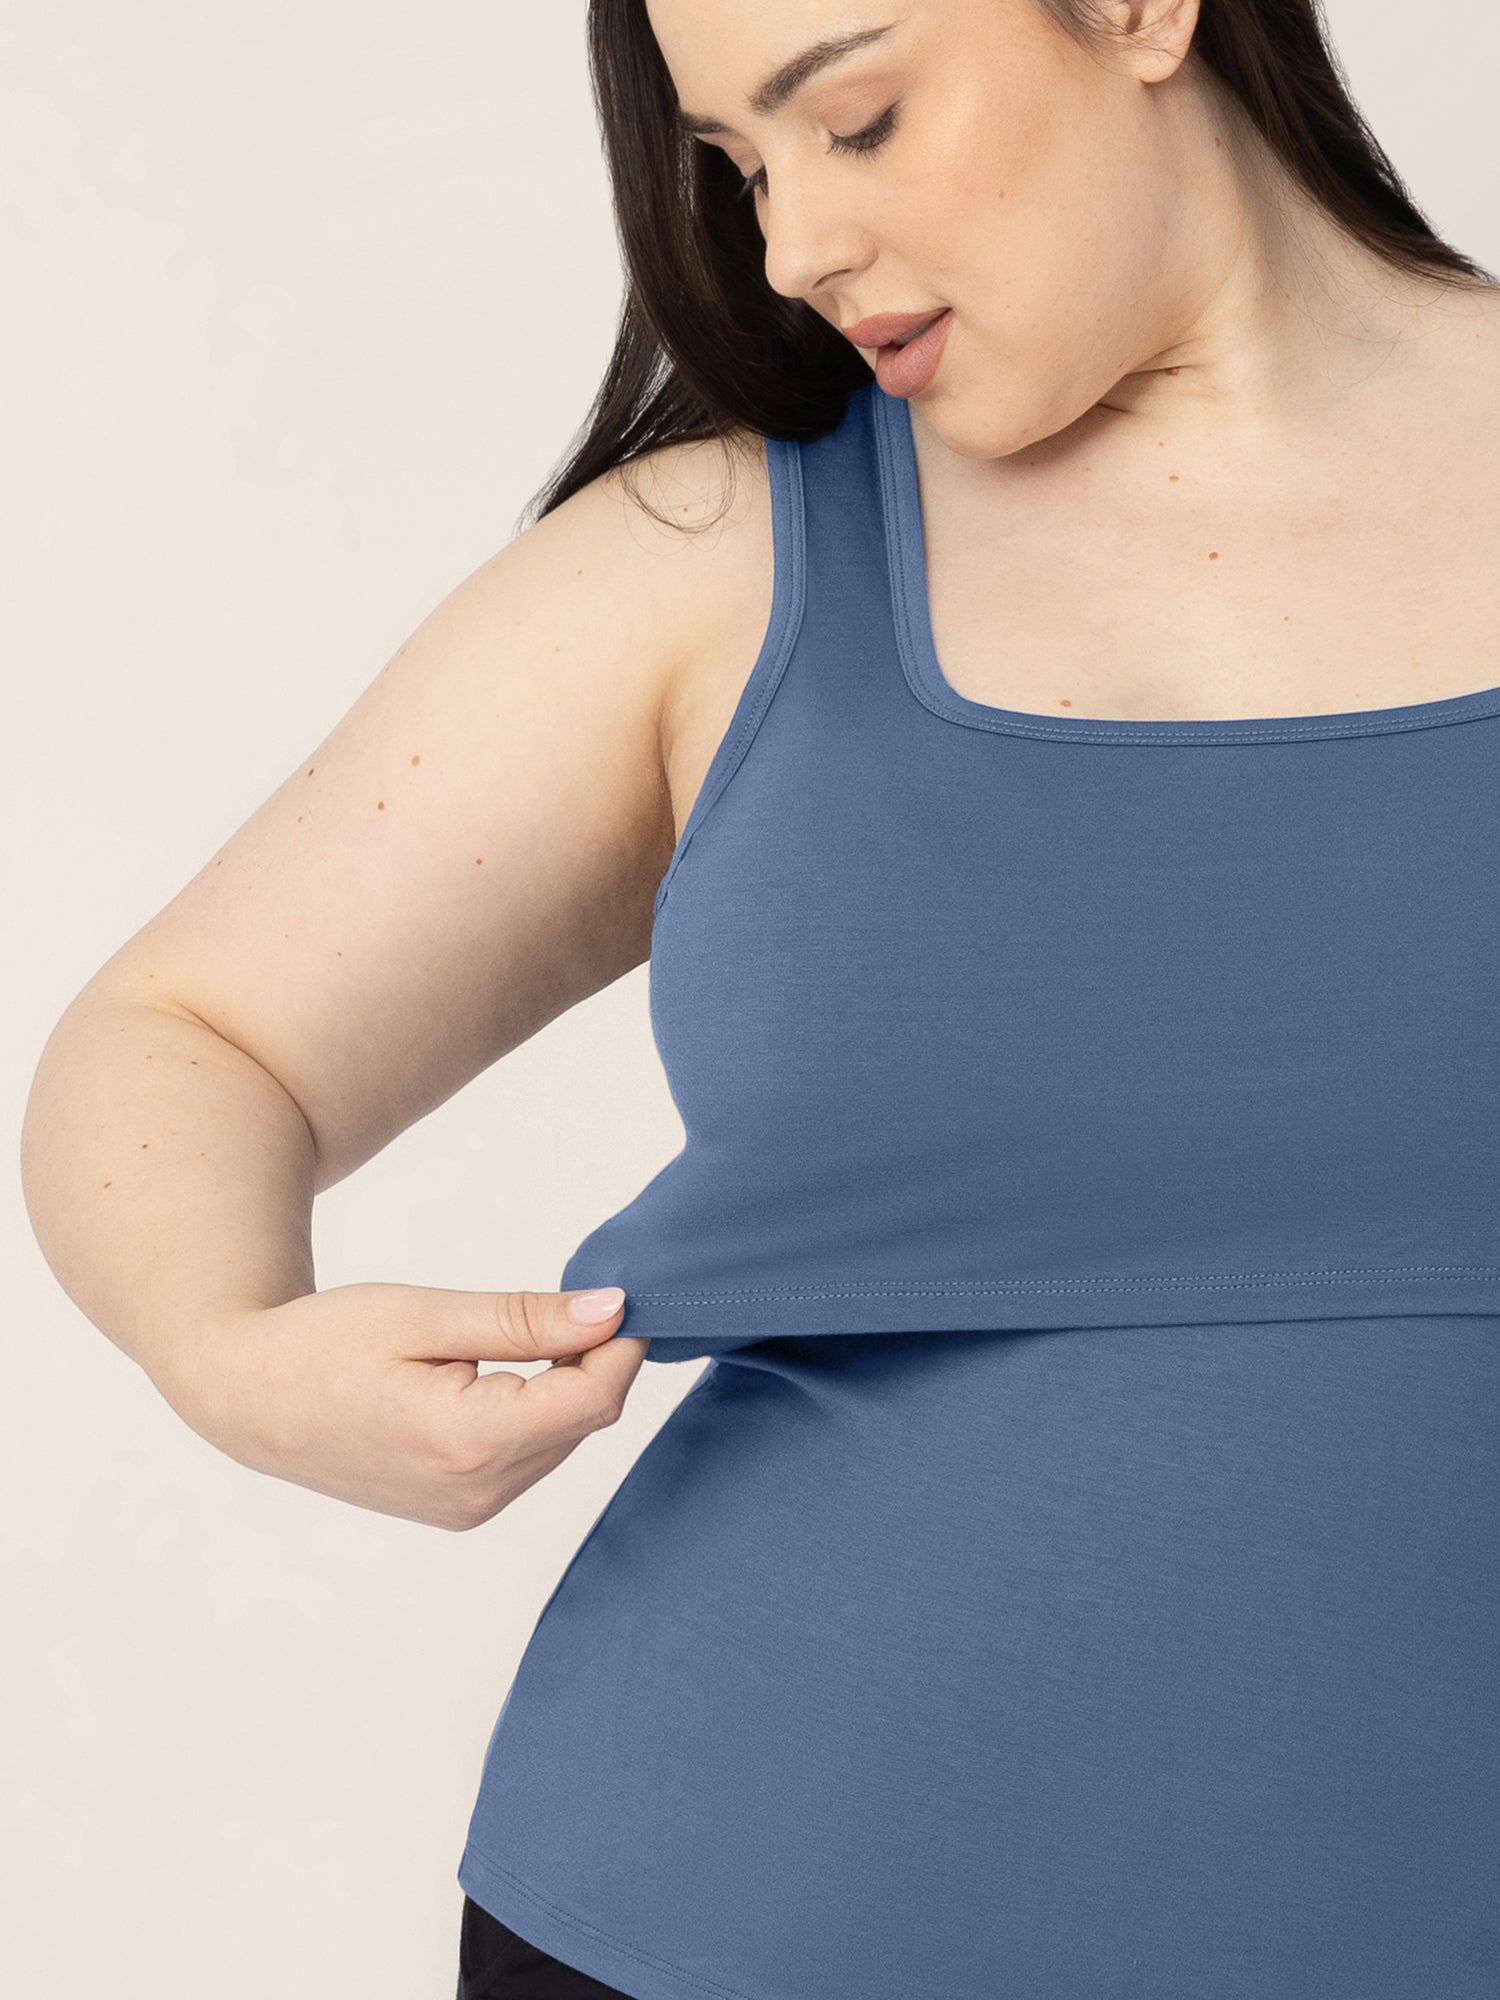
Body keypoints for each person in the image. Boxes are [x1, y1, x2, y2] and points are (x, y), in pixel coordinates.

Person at [21, 1, 1500, 1995]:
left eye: (858, 118)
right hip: (728, 1916)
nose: (793, 245)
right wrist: (225, 1341)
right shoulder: (713, 566)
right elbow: (188, 1032)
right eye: (741, 162)